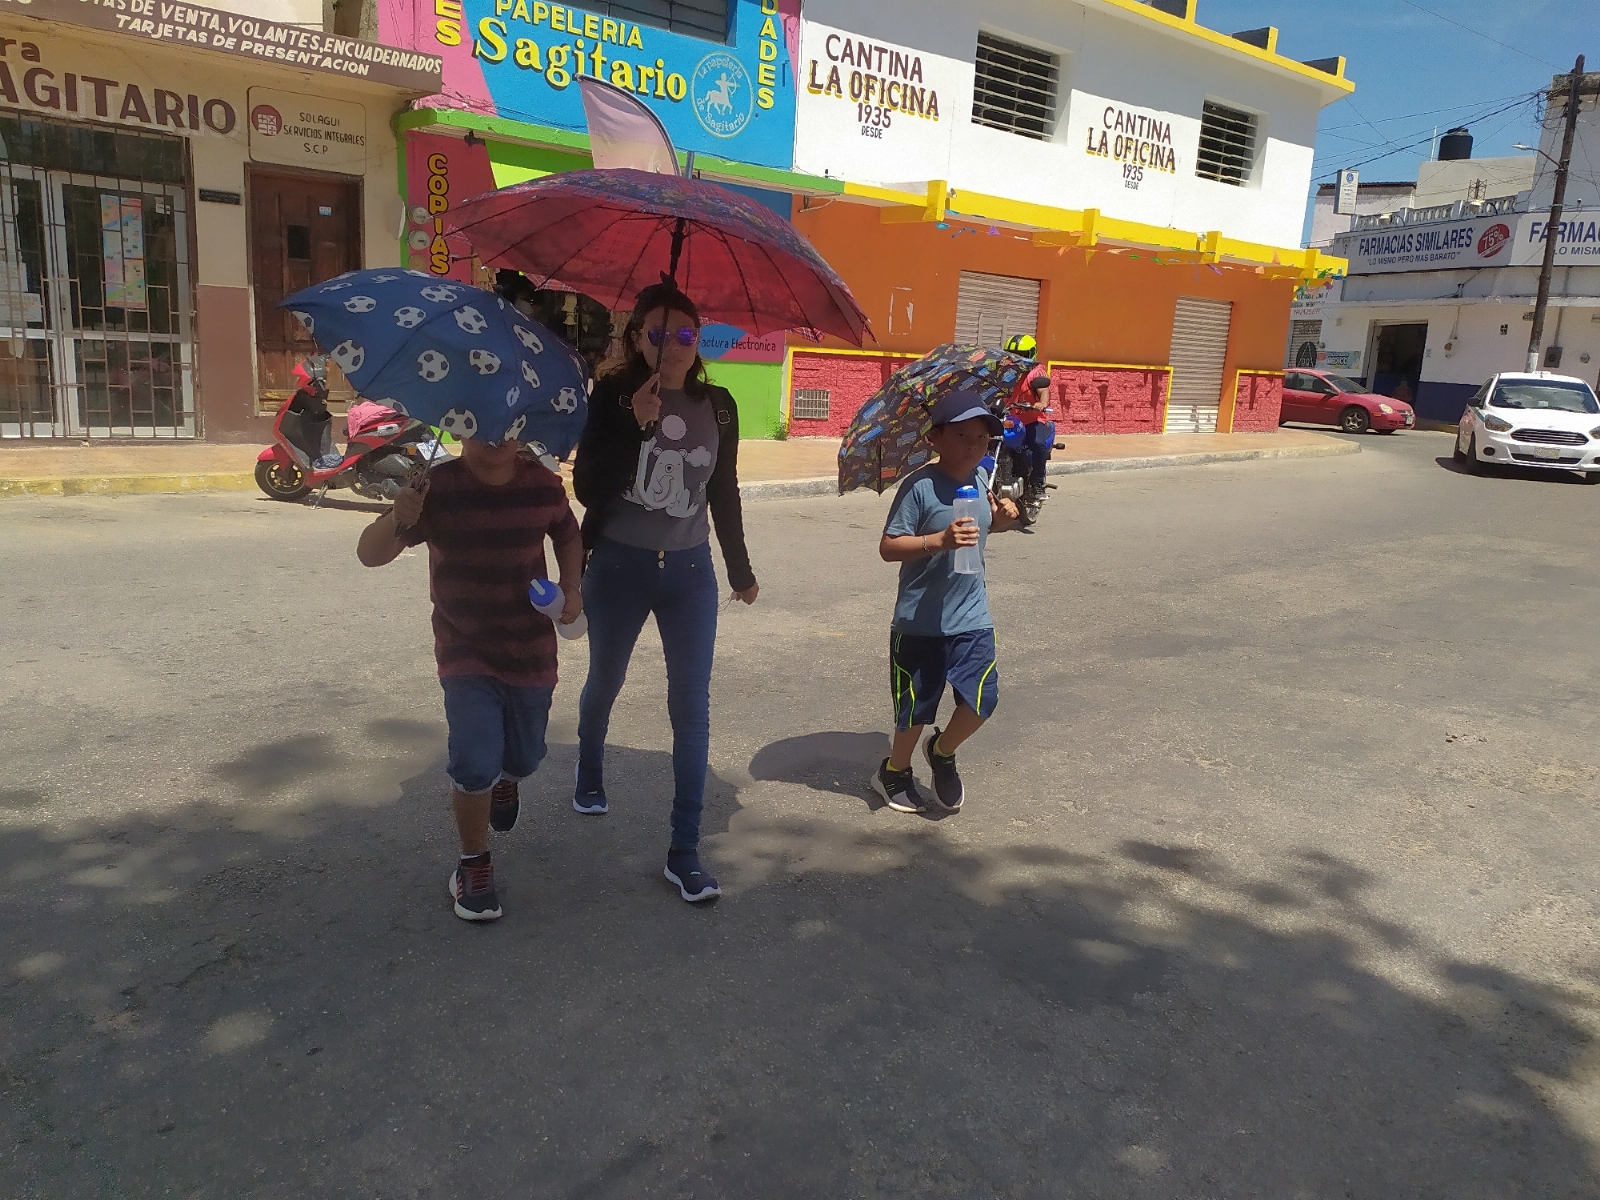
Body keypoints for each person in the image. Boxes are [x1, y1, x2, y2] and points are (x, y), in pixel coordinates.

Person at [571, 281, 758, 903]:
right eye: (658, 333)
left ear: (696, 341)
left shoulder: (721, 406)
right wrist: (634, 424)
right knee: (606, 680)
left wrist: (739, 568)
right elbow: (589, 489)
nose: (673, 345)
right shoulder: (612, 395)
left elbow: (722, 490)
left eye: (684, 334)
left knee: (692, 705)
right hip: (620, 565)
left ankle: (684, 850)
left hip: (689, 572)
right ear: (636, 338)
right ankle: (590, 766)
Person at [356, 436, 583, 922]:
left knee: (525, 755)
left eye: (505, 424)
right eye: (480, 424)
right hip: (465, 651)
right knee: (475, 756)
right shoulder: (434, 488)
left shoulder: (542, 486)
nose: (495, 437)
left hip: (530, 651)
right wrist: (399, 516)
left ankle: (509, 779)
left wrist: (572, 586)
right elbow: (369, 555)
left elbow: (567, 533)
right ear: (459, 427)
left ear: (521, 428)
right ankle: (473, 863)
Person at [873, 389, 1020, 814]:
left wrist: (1008, 520)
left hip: (972, 617)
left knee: (982, 700)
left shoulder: (980, 481)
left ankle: (942, 750)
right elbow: (888, 547)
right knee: (915, 710)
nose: (974, 446)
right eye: (962, 436)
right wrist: (938, 541)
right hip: (919, 622)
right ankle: (894, 771)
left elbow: (984, 531)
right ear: (934, 438)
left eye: (981, 438)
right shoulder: (919, 487)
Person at [1004, 333, 1053, 498]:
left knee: (1038, 444)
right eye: (1013, 354)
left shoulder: (1036, 371)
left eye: (1022, 355)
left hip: (1032, 420)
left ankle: (1037, 484)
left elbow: (1043, 390)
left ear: (1031, 353)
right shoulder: (1005, 371)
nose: (1017, 358)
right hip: (1010, 419)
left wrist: (1042, 404)